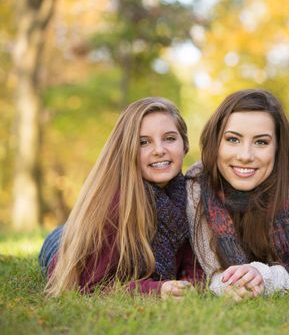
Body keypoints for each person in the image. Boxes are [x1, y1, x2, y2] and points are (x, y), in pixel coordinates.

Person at [40, 97, 202, 297]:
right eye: (144, 142)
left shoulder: (189, 196)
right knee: (62, 236)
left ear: (184, 145)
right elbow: (92, 285)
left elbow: (192, 265)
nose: (159, 150)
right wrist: (156, 290)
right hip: (60, 243)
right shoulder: (115, 204)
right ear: (128, 150)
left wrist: (190, 284)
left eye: (169, 138)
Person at [186, 89, 289, 300]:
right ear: (216, 142)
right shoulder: (199, 184)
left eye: (261, 142)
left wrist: (262, 276)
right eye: (233, 139)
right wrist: (229, 286)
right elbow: (212, 270)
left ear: (277, 148)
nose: (245, 156)